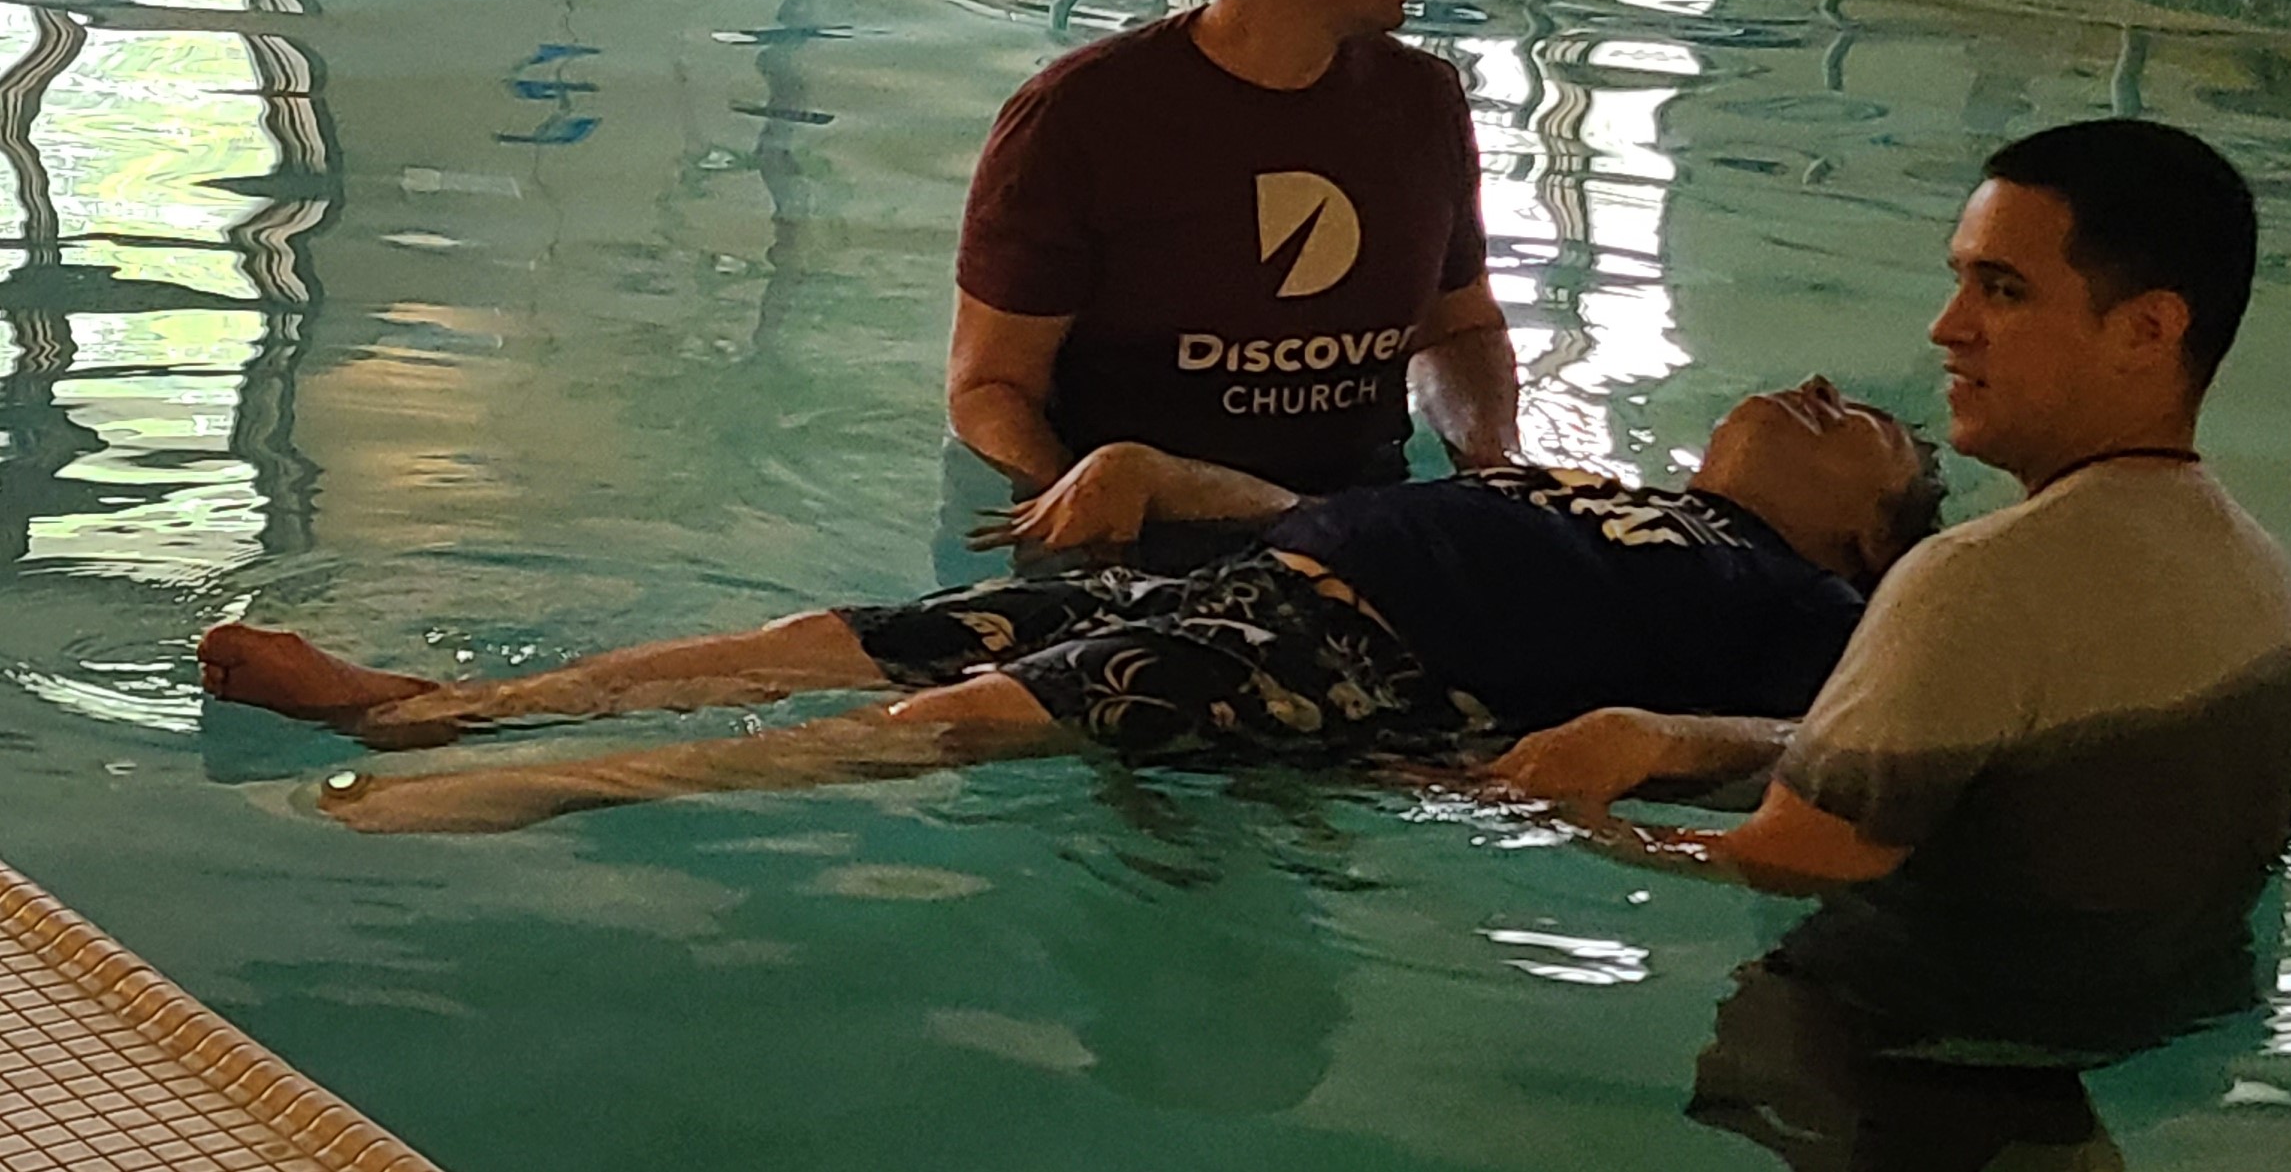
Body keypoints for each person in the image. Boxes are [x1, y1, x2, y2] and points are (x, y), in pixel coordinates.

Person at [196, 377, 1942, 833]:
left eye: (1857, 421)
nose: (1812, 387)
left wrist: (1662, 741)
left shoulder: (1799, 604)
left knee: (940, 726)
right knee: (831, 639)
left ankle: (502, 794)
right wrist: (1170, 477)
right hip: (1256, 578)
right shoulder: (1609, 493)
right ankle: (426, 704)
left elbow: (1850, 738)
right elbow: (1370, 511)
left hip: (1357, 659)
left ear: (1868, 537)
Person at [1490, 118, 2291, 1069]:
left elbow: (1793, 856)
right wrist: (1666, 738)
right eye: (1960, 278)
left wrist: (1568, 827)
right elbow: (1958, 764)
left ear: (2145, 329)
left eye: (2001, 290)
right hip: (2159, 1020)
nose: (1947, 325)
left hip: (1908, 1055)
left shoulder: (1980, 579)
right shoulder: (2255, 569)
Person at [945, 0, 1519, 553]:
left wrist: (1494, 466)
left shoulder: (1420, 102)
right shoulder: (1081, 120)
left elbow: (1458, 329)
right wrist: (1076, 515)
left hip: (1362, 531)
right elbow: (988, 386)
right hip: (1150, 541)